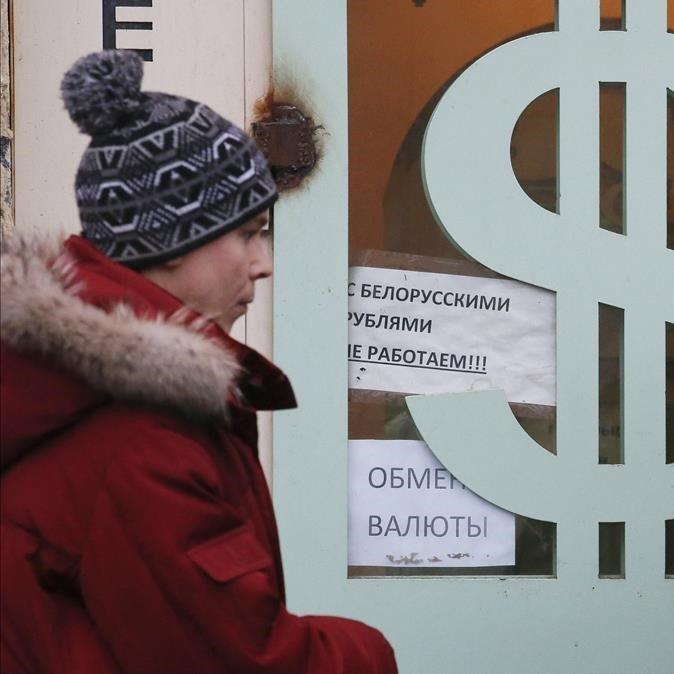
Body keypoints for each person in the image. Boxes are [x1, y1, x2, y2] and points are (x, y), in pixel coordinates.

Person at [0, 50, 397, 673]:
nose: (263, 263)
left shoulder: (105, 402)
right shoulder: (142, 446)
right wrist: (371, 653)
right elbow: (244, 661)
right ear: (169, 244)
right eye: (249, 233)